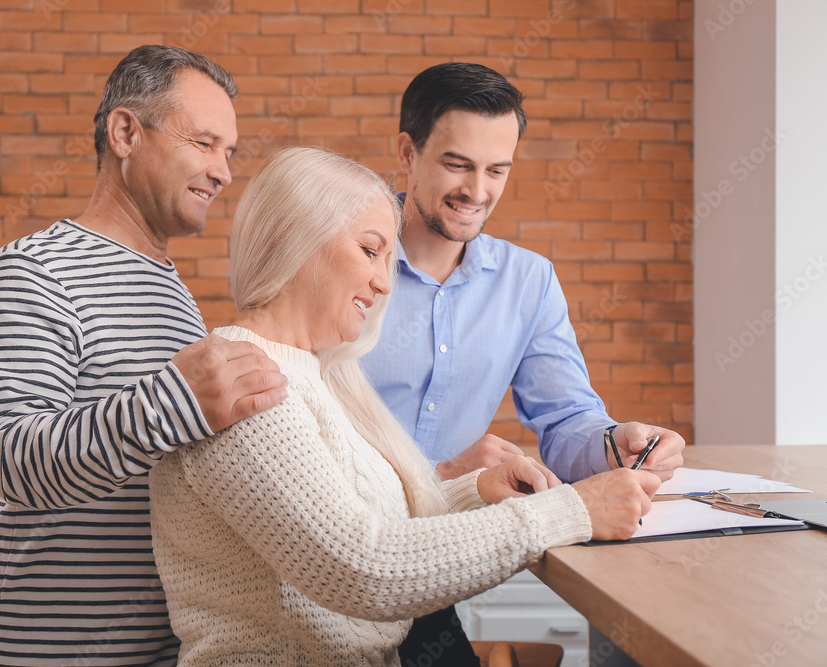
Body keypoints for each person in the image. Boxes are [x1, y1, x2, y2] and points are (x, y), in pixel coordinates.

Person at [149, 145, 660, 666]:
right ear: (298, 241)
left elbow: (371, 525)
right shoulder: (248, 385)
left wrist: (474, 490)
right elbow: (362, 569)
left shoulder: (317, 374)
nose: (385, 282)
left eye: (388, 259)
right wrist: (570, 511)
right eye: (370, 251)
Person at [0, 45, 287, 667]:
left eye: (230, 152)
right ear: (127, 132)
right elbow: (15, 462)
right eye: (205, 143)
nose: (224, 172)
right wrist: (177, 401)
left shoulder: (172, 292)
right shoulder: (33, 272)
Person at [359, 61, 688, 666]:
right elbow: (298, 430)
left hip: (438, 572)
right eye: (457, 164)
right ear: (407, 152)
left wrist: (617, 442)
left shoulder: (528, 281)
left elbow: (567, 420)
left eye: (497, 169)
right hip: (342, 558)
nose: (477, 190)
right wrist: (444, 473)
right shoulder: (348, 262)